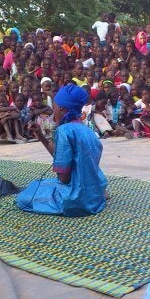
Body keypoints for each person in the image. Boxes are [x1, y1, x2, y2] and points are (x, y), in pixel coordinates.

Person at [16, 85, 107, 216]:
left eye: (55, 106)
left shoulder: (64, 131)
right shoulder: (88, 130)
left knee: (25, 197)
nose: (53, 111)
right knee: (39, 184)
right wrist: (41, 136)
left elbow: (63, 178)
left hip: (75, 199)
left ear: (61, 108)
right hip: (94, 196)